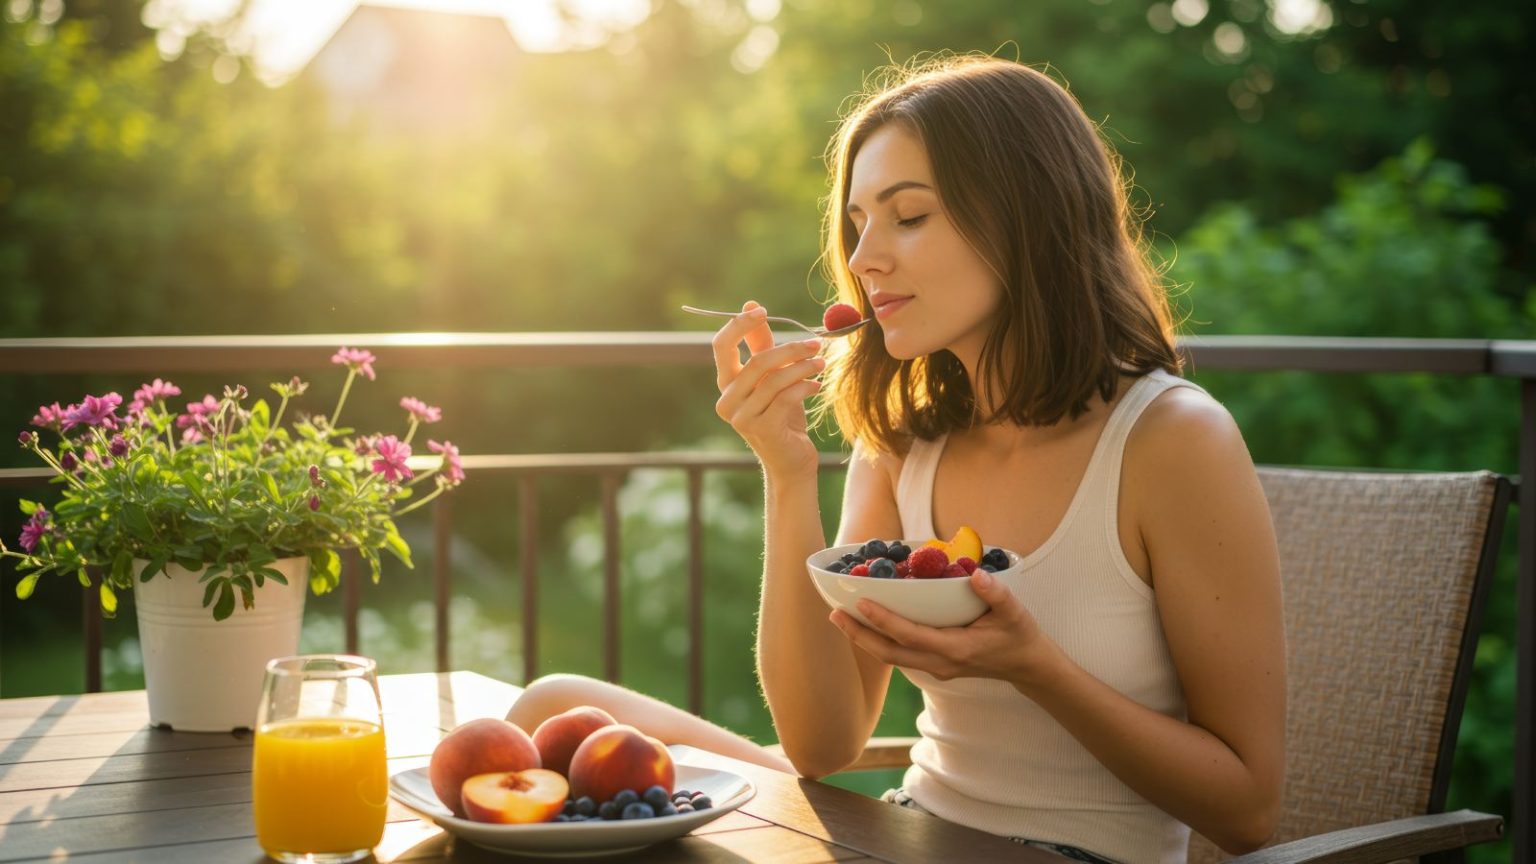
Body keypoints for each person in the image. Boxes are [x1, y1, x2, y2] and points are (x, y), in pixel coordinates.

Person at [508, 55, 1285, 864]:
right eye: (857, 225)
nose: (865, 258)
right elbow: (821, 744)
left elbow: (1247, 811)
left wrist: (1036, 669)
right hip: (905, 837)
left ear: (1028, 221)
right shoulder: (907, 440)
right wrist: (787, 472)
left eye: (908, 216)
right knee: (551, 705)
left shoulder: (1171, 441)